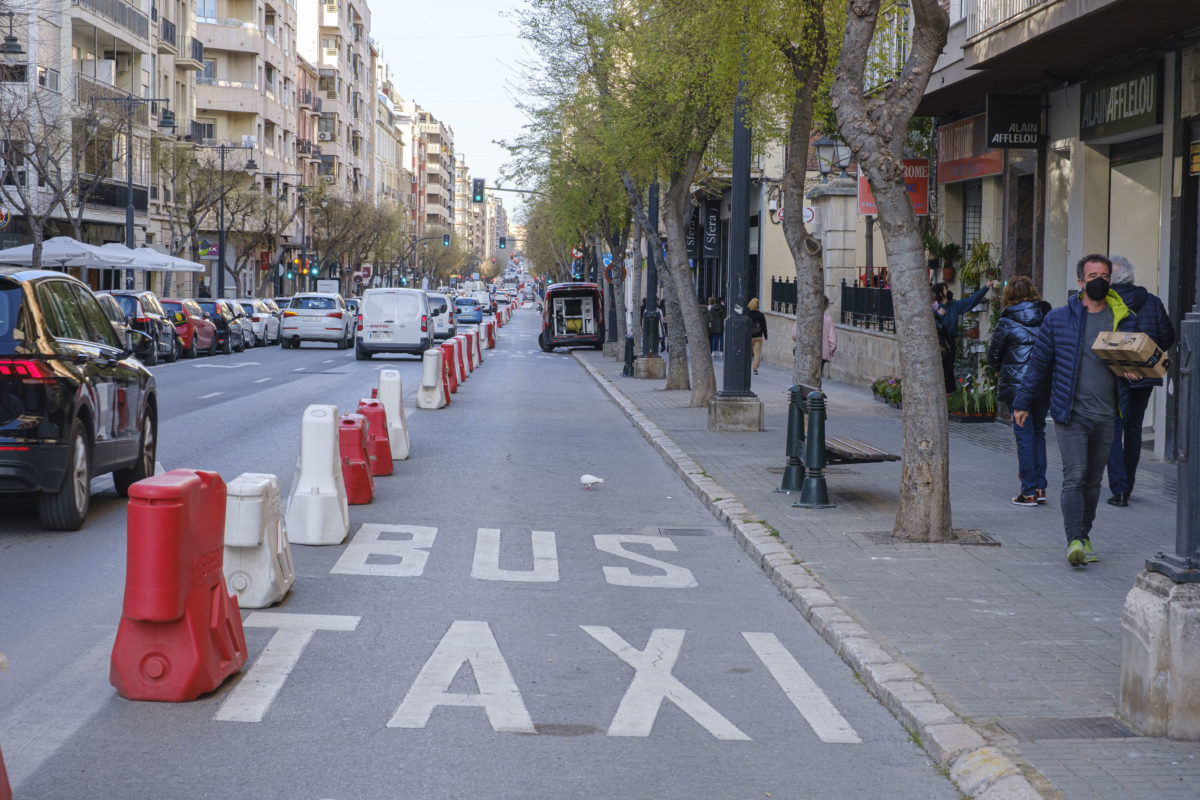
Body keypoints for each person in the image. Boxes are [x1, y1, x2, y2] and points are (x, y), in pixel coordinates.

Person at [1012, 254, 1138, 567]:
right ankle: (1073, 541)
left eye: (1105, 275)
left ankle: (1085, 534)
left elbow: (1133, 362)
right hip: (1071, 413)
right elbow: (1039, 364)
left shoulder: (1123, 317)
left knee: (1094, 481)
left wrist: (1133, 372)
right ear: (1080, 282)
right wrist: (1022, 402)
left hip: (1107, 413)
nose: (1100, 280)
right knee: (1075, 476)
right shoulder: (1057, 319)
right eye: (1093, 275)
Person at [1104, 256, 1174, 507]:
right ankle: (1128, 486)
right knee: (1133, 428)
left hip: (1114, 374)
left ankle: (1119, 487)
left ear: (1110, 278)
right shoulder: (1153, 302)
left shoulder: (1107, 302)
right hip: (1144, 374)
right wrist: (1144, 352)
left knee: (1113, 429)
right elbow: (1167, 336)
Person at [987, 277, 1052, 506]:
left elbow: (993, 355)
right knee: (1038, 433)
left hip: (1017, 386)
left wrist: (1001, 370)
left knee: (1024, 436)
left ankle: (1029, 490)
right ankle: (1041, 486)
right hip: (1043, 384)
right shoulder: (1047, 318)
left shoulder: (1006, 322)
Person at [934, 281, 992, 394]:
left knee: (949, 370)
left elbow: (970, 301)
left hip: (950, 342)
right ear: (941, 294)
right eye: (946, 289)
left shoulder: (954, 306)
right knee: (941, 370)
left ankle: (949, 396)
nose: (948, 291)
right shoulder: (935, 308)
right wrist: (938, 316)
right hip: (939, 343)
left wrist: (985, 287)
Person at [791, 296, 838, 371]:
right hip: (820, 353)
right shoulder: (828, 319)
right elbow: (832, 340)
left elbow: (794, 334)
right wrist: (830, 351)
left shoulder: (804, 316)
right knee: (817, 376)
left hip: (804, 351)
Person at [747, 297, 768, 375]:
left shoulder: (747, 314)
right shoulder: (760, 315)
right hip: (758, 336)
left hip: (748, 337)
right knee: (757, 353)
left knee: (748, 353)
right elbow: (763, 326)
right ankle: (755, 369)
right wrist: (765, 335)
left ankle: (747, 367)